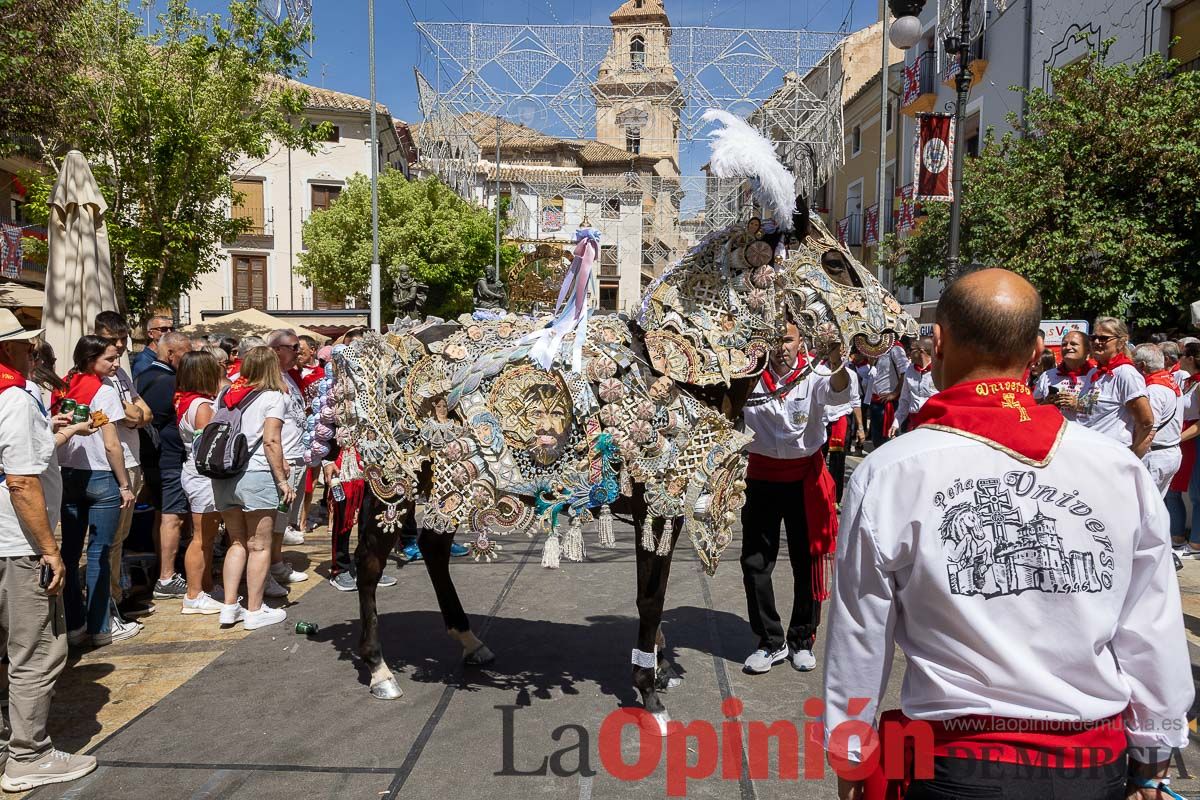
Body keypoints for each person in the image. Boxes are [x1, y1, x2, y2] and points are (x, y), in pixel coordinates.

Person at [824, 269, 1192, 800]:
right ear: (1038, 348)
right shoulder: (1116, 468)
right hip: (1091, 765)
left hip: (956, 765)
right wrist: (1153, 754)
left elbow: (859, 633)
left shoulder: (891, 470)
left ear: (940, 342)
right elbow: (1150, 624)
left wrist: (852, 754)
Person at [0, 312, 100, 791]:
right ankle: (28, 755)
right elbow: (20, 480)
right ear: (11, 350)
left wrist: (54, 433)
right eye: (26, 347)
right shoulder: (14, 398)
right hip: (16, 544)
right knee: (36, 652)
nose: (32, 353)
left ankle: (8, 744)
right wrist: (50, 550)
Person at [740, 320, 849, 674]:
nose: (780, 346)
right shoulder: (747, 375)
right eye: (773, 338)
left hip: (804, 478)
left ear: (800, 340)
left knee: (806, 561)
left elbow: (837, 391)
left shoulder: (816, 373)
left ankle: (803, 637)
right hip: (761, 478)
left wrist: (837, 362)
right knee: (755, 563)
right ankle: (770, 641)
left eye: (786, 338)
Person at [56, 336, 138, 646]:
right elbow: (111, 443)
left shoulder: (65, 385)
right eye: (110, 359)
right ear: (92, 360)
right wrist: (124, 484)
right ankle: (101, 626)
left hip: (67, 475)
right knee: (99, 553)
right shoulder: (103, 392)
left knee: (70, 551)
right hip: (101, 477)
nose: (116, 364)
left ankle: (74, 624)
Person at [212, 347, 292, 630]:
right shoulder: (273, 397)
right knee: (258, 545)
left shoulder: (225, 395)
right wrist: (282, 480)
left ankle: (230, 606)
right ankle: (255, 610)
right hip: (256, 473)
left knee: (236, 542)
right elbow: (271, 441)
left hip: (223, 475)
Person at [94, 311, 152, 617]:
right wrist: (133, 413)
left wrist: (133, 413)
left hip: (131, 459)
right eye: (112, 340)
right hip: (112, 464)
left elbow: (145, 412)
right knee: (110, 539)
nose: (119, 347)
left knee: (120, 537)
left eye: (123, 340)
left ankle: (115, 593)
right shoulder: (97, 378)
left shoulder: (120, 375)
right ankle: (110, 602)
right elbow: (129, 415)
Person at [134, 330, 192, 600]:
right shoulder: (165, 381)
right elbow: (154, 421)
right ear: (171, 354)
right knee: (172, 516)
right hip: (166, 458)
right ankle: (167, 577)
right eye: (185, 354)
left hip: (157, 459)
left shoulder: (145, 375)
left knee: (163, 514)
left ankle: (163, 570)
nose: (188, 359)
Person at [174, 351, 223, 614]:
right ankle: (193, 594)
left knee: (206, 536)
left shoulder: (191, 401)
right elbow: (209, 445)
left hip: (196, 473)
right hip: (203, 475)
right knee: (201, 537)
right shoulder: (201, 406)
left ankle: (205, 586)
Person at [1065, 317, 1155, 457]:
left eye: (1103, 338)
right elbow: (1090, 410)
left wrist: (1132, 455)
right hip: (1086, 452)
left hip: (1109, 456)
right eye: (1093, 337)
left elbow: (1146, 421)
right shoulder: (1094, 373)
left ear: (1121, 341)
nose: (1096, 342)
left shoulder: (1126, 374)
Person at [264, 330, 310, 591]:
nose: (299, 351)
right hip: (284, 458)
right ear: (277, 349)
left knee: (284, 520)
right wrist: (279, 462)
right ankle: (271, 568)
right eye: (294, 347)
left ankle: (276, 562)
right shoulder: (269, 380)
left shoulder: (289, 377)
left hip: (296, 455)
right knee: (275, 519)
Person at [1134, 343, 1183, 495]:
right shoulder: (1170, 382)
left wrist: (1132, 458)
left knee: (1143, 511)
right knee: (1155, 509)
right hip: (1168, 453)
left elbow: (1149, 432)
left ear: (1142, 365)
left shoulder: (1153, 390)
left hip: (1155, 457)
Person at [1171, 342, 1200, 554]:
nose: (1178, 358)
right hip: (1185, 440)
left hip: (1193, 441)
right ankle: (1178, 536)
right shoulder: (1189, 381)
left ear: (1190, 358)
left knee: (1197, 494)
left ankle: (1196, 543)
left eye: (1181, 354)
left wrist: (1177, 438)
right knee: (1174, 491)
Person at [822, 352, 863, 502]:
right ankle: (817, 493)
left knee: (838, 463)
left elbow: (855, 401)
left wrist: (861, 428)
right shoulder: (819, 372)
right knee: (817, 461)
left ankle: (834, 499)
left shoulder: (851, 374)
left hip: (841, 420)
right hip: (821, 421)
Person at [1033, 329, 1090, 421]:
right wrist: (1046, 403)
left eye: (1074, 344)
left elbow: (1106, 412)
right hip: (1055, 431)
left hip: (1086, 433)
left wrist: (1077, 405)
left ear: (1087, 350)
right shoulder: (1047, 375)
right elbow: (1033, 407)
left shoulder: (1097, 376)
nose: (1067, 347)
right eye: (1064, 344)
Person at [868, 336, 912, 449]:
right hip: (875, 402)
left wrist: (895, 393)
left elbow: (905, 372)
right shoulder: (876, 349)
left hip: (889, 403)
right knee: (877, 441)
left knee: (890, 441)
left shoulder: (895, 348)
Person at [889, 336, 935, 437]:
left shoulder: (939, 370)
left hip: (934, 425)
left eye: (911, 349)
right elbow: (904, 400)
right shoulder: (909, 371)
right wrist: (896, 423)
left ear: (921, 351)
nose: (907, 353)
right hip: (914, 424)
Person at [130, 314, 174, 379]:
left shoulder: (170, 355)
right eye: (164, 329)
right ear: (151, 334)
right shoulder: (143, 361)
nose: (169, 332)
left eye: (171, 329)